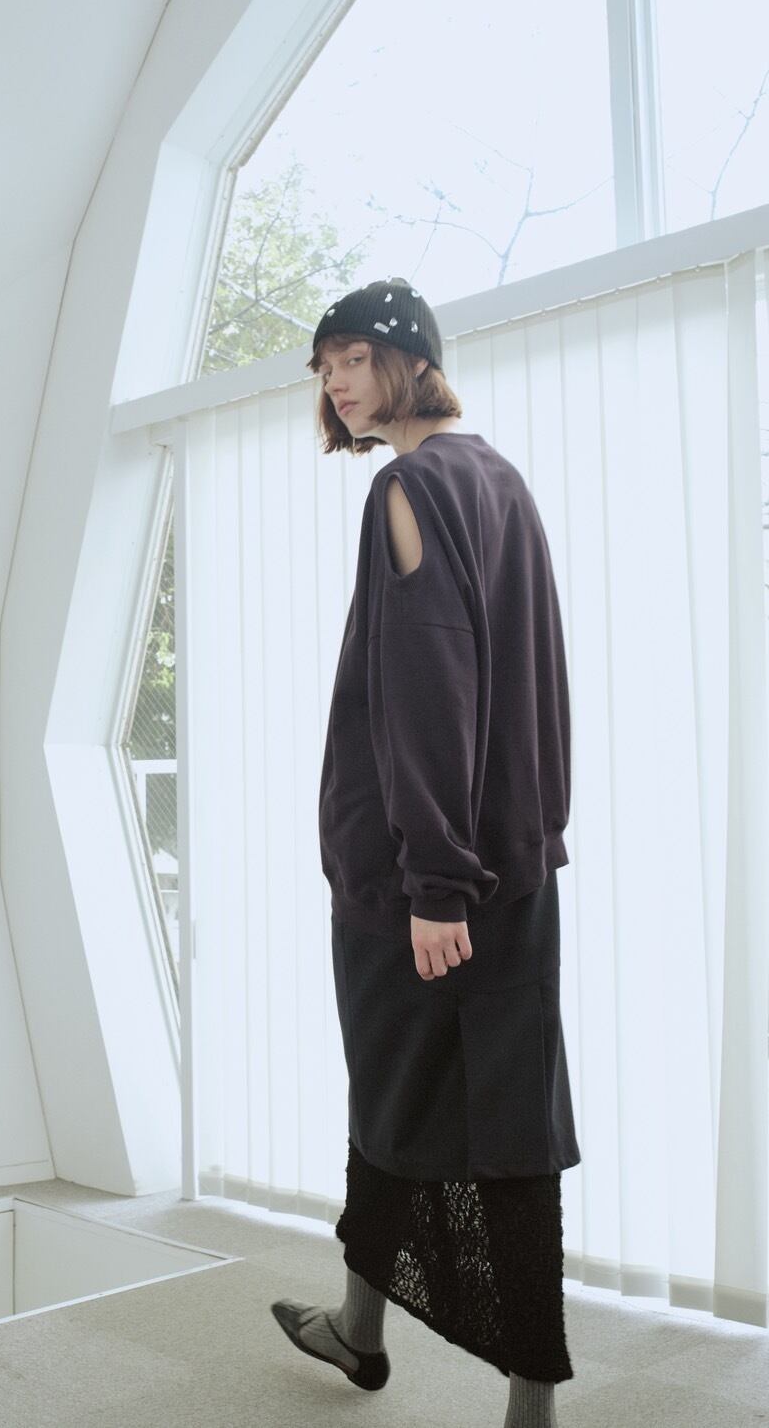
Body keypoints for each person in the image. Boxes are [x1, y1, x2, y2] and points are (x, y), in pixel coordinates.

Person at [269, 278, 580, 1428]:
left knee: (396, 1103)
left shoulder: (406, 487)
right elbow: (528, 681)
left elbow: (429, 685)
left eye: (352, 357)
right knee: (502, 1122)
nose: (336, 383)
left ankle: (370, 1334)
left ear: (408, 360)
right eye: (323, 367)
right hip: (514, 866)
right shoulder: (499, 479)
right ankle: (405, 1350)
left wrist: (433, 882)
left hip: (420, 879)